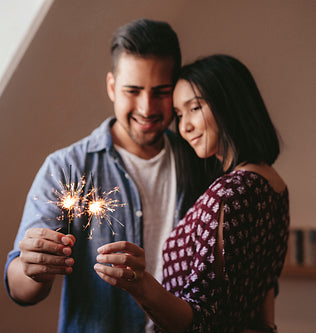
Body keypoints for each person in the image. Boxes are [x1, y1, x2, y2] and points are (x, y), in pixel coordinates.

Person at [4, 19, 207, 332]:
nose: (147, 107)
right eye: (133, 90)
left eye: (161, 92)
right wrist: (33, 268)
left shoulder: (201, 160)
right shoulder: (66, 167)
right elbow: (20, 289)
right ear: (112, 86)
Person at [94, 54, 289, 333]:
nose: (184, 127)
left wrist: (140, 284)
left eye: (195, 107)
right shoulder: (274, 184)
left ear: (230, 103)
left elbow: (201, 321)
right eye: (179, 114)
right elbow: (263, 285)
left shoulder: (229, 193)